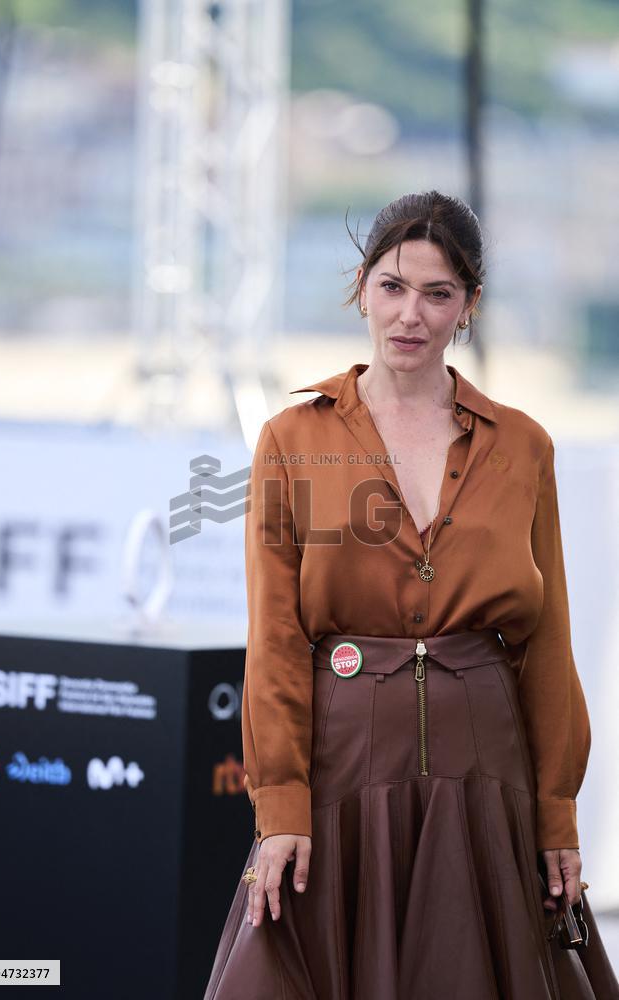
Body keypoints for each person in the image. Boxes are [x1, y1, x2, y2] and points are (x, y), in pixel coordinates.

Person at [204, 191, 618, 999]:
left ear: (469, 307)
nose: (410, 315)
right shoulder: (295, 438)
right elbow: (279, 638)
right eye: (393, 286)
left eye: (438, 294)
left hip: (484, 770)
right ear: (361, 287)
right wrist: (281, 804)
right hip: (345, 767)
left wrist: (556, 812)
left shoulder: (523, 444)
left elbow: (548, 641)